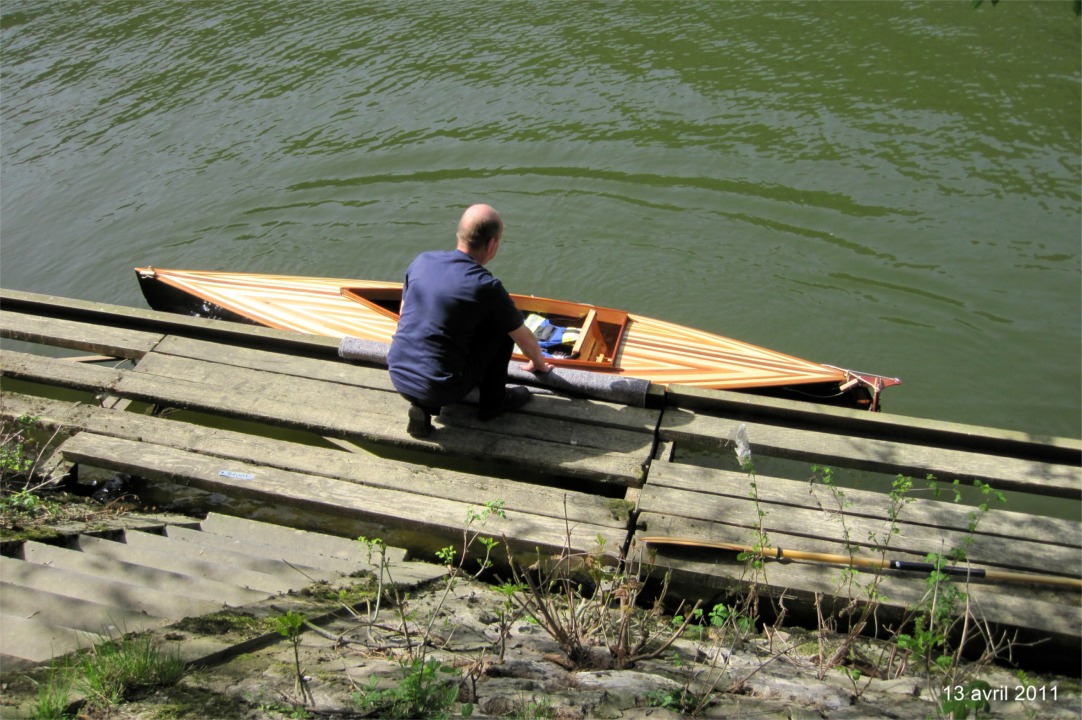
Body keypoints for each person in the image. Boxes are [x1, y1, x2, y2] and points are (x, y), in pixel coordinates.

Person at [387, 204, 553, 438]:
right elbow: (522, 336)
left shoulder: (421, 261)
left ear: (459, 234)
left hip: (398, 373)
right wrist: (539, 363)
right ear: (492, 244)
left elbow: (404, 313)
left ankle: (423, 407)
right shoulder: (486, 286)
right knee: (501, 326)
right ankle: (493, 404)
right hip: (442, 388)